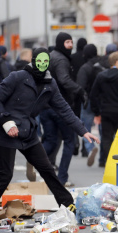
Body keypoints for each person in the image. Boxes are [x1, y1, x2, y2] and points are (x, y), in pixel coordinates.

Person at [0, 47, 100, 212]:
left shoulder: (50, 84)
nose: (42, 64)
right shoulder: (17, 77)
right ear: (34, 61)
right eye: (39, 61)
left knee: (47, 169)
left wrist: (83, 131)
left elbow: (65, 110)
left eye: (46, 62)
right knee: (4, 175)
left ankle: (67, 204)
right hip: (6, 132)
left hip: (28, 134)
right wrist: (6, 121)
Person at [41, 32, 85, 187]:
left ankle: (35, 160)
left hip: (45, 106)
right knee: (69, 141)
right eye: (67, 42)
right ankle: (62, 178)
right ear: (60, 43)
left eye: (71, 42)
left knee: (51, 140)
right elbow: (64, 80)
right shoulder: (61, 59)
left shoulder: (51, 56)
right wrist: (79, 90)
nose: (71, 45)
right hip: (59, 106)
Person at [77, 44, 101, 164]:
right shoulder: (102, 65)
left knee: (85, 127)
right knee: (103, 128)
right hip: (102, 101)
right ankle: (104, 154)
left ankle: (90, 148)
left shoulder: (85, 68)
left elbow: (80, 86)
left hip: (88, 101)